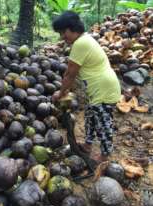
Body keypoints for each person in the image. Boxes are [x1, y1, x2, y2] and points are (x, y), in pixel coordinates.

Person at [52, 11, 121, 162]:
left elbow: (70, 74)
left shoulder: (80, 44)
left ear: (73, 28)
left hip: (104, 88)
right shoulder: (85, 39)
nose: (62, 36)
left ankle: (105, 155)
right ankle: (88, 145)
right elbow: (75, 74)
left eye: (64, 32)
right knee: (91, 117)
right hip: (99, 87)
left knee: (103, 123)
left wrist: (61, 92)